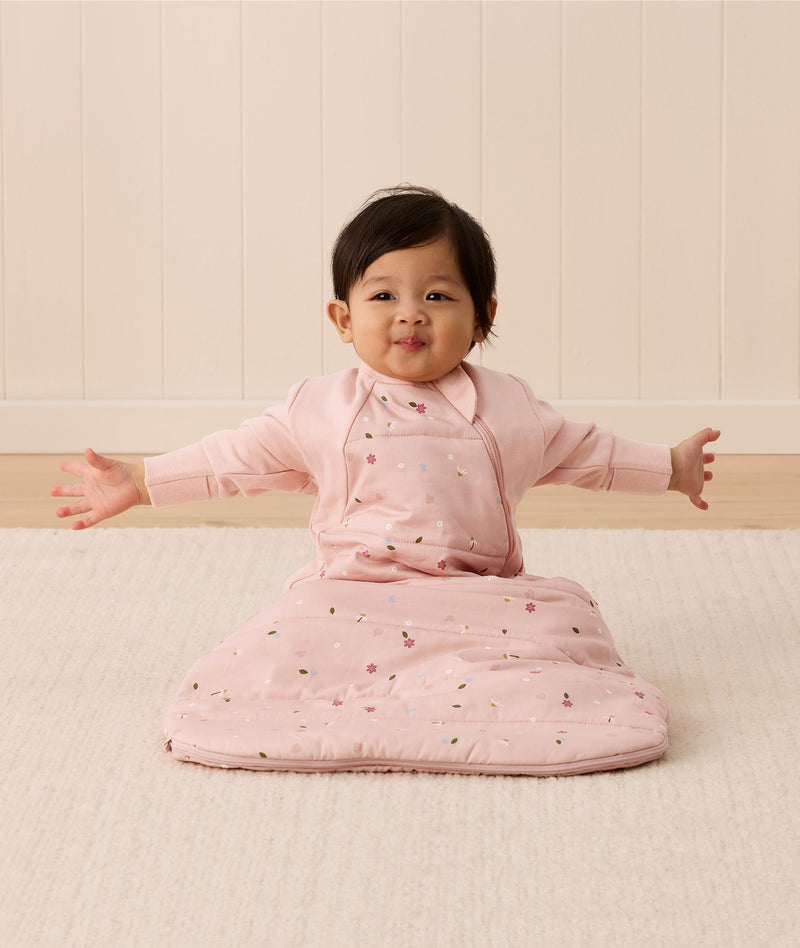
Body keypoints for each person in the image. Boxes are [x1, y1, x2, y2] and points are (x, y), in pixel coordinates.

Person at [51, 185, 719, 776]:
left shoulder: (510, 410)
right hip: (350, 597)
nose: (411, 313)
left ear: (482, 315)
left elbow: (589, 453)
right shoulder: (321, 410)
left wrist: (669, 467)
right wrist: (142, 481)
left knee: (563, 623)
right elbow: (235, 460)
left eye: (437, 294)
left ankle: (503, 705)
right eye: (383, 295)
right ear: (343, 319)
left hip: (479, 598)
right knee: (284, 637)